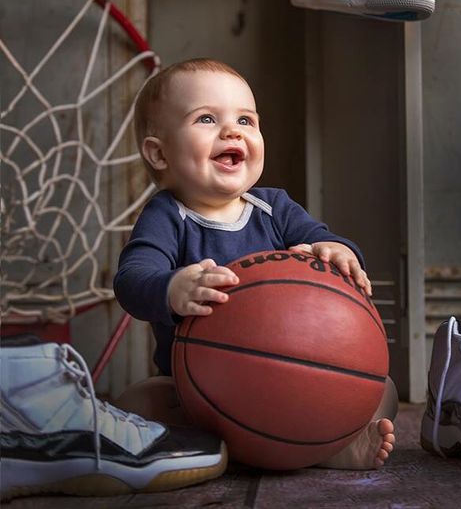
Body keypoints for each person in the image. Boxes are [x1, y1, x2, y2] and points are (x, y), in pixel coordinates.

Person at [114, 58, 398, 470]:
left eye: (246, 120)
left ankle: (337, 444)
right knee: (139, 401)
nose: (232, 131)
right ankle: (210, 448)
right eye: (207, 119)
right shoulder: (166, 216)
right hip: (202, 392)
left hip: (300, 377)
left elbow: (327, 240)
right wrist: (173, 288)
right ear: (159, 153)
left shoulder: (274, 207)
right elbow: (131, 281)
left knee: (377, 385)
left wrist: (339, 251)